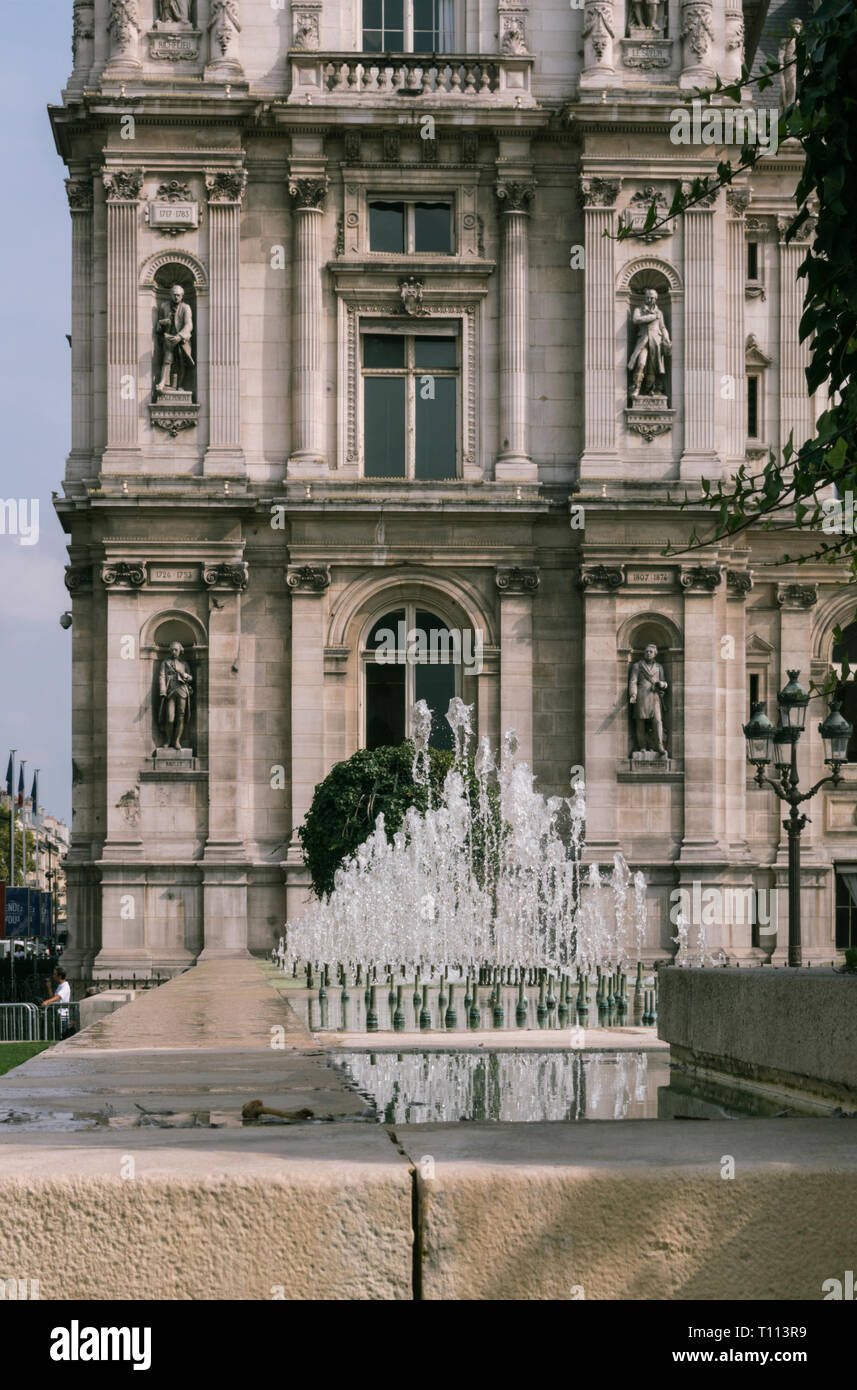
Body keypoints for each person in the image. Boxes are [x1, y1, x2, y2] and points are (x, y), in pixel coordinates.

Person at [629, 643, 669, 756]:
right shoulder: (637, 665)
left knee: (657, 721)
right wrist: (633, 694)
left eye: (650, 652)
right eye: (646, 651)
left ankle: (659, 745)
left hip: (655, 696)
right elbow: (633, 681)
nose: (648, 653)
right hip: (641, 696)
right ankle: (642, 746)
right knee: (640, 721)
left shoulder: (659, 667)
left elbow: (665, 683)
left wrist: (661, 684)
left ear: (655, 654)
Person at [156, 285, 194, 394]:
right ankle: (162, 383)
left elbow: (189, 325)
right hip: (169, 337)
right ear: (170, 295)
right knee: (167, 359)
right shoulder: (164, 306)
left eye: (178, 295)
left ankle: (179, 385)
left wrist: (180, 336)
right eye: (174, 295)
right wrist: (162, 323)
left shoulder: (186, 307)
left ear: (182, 296)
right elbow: (158, 326)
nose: (176, 297)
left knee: (182, 361)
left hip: (182, 339)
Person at [41, 966, 73, 1040]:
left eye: (55, 974)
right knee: (57, 1036)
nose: (53, 976)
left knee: (62, 1037)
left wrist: (46, 1002)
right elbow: (53, 997)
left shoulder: (65, 986)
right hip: (57, 1015)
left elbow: (58, 997)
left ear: (60, 976)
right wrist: (49, 987)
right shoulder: (60, 986)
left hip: (62, 1016)